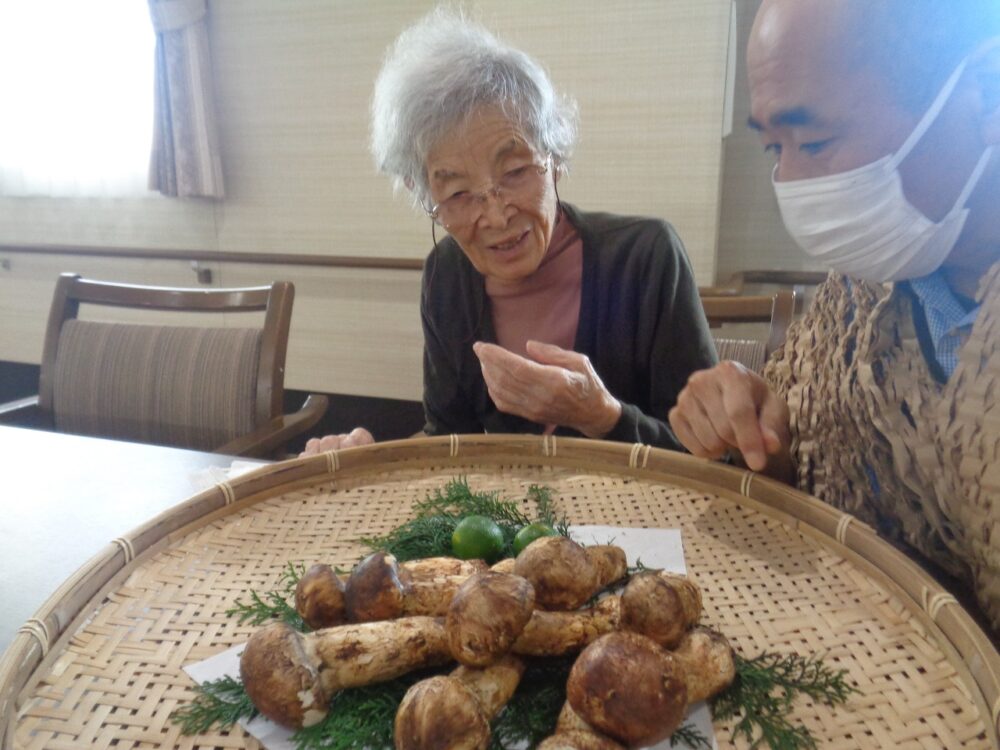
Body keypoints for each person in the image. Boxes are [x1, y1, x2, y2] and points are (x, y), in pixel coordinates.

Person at [668, 0, 1000, 631]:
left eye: (814, 141)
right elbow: (814, 482)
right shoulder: (859, 297)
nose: (788, 178)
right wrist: (756, 433)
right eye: (774, 145)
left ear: (986, 94)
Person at [304, 9, 716, 455]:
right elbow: (448, 439)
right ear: (424, 194)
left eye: (516, 171)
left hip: (636, 521)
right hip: (507, 522)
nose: (497, 216)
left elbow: (713, 456)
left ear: (554, 156)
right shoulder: (446, 276)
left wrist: (603, 417)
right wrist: (369, 456)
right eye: (459, 193)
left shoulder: (647, 258)